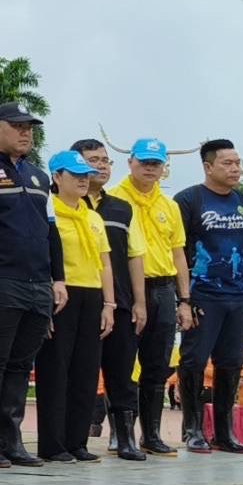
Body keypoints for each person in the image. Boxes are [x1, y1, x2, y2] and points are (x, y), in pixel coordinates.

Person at [0, 102, 64, 469]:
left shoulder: (40, 176)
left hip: (37, 283)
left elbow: (50, 231)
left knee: (21, 365)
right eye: (18, 126)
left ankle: (12, 439)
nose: (26, 133)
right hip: (0, 279)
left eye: (30, 128)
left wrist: (58, 279)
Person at [174, 138, 243, 454]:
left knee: (230, 364)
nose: (235, 169)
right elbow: (178, 252)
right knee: (194, 361)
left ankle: (225, 431)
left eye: (238, 163)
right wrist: (182, 299)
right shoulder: (189, 200)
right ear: (208, 166)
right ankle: (192, 428)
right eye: (227, 163)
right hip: (202, 296)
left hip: (237, 297)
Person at [112, 138, 194, 456]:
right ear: (130, 161)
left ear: (163, 167)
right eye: (144, 161)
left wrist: (184, 300)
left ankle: (152, 433)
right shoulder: (114, 199)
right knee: (122, 362)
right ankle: (121, 433)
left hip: (163, 289)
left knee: (157, 365)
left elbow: (179, 256)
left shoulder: (169, 206)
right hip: (127, 288)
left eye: (156, 163)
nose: (150, 168)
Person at [36, 151, 117, 463]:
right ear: (57, 177)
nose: (84, 180)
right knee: (56, 370)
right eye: (75, 175)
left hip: (92, 295)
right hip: (62, 294)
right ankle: (53, 444)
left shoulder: (92, 215)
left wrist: (109, 304)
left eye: (85, 174)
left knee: (85, 371)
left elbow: (105, 263)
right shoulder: (47, 210)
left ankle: (77, 441)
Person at [73, 140, 148, 461]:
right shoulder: (62, 202)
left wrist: (140, 303)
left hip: (120, 303)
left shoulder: (121, 207)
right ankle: (73, 438)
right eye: (93, 160)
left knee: (121, 374)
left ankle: (125, 437)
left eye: (105, 161)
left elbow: (135, 256)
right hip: (80, 303)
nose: (101, 166)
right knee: (80, 374)